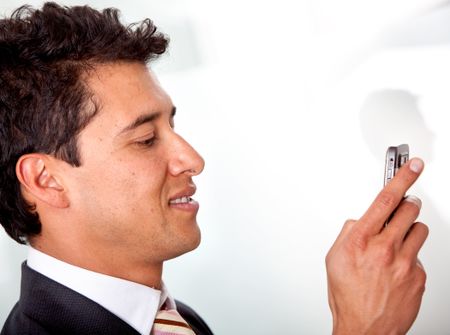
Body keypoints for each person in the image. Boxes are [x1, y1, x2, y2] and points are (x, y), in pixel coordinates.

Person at [0, 2, 428, 335]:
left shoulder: (173, 320)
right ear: (46, 180)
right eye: (146, 140)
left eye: (172, 126)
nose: (192, 159)